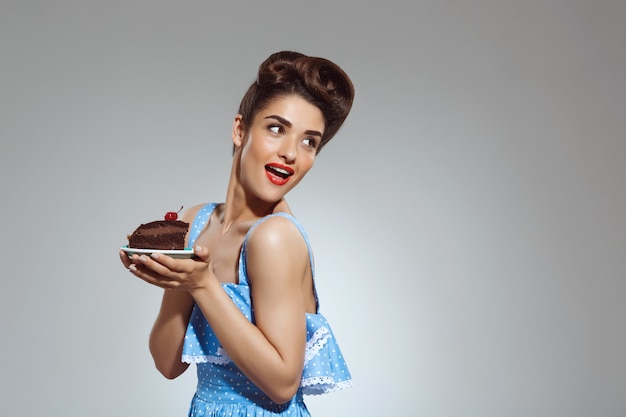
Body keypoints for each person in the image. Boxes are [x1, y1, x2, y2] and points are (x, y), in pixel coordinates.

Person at [119, 50, 355, 416]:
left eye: (309, 141)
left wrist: (202, 286)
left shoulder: (274, 237)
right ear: (240, 129)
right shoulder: (197, 222)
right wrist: (175, 280)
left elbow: (281, 385)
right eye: (277, 128)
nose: (291, 153)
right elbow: (167, 365)